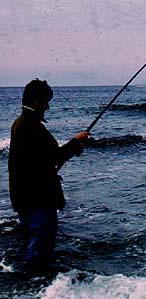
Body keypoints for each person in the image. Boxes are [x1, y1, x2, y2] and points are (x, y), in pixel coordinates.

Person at [8, 79, 90, 271]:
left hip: (25, 195)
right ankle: (35, 283)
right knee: (39, 245)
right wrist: (76, 142)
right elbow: (55, 156)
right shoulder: (31, 126)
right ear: (36, 102)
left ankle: (31, 281)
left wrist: (73, 147)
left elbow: (39, 160)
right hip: (37, 198)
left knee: (33, 241)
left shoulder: (20, 123)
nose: (48, 107)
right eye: (46, 102)